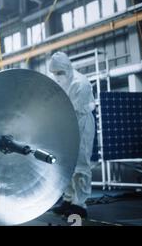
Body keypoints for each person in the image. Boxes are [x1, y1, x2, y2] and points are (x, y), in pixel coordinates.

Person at [48, 52, 96, 218]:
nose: (57, 76)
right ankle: (68, 199)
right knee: (65, 164)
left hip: (81, 123)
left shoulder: (80, 83)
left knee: (81, 164)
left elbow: (76, 111)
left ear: (68, 68)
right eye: (54, 73)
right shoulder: (59, 82)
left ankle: (80, 204)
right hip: (66, 124)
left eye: (60, 72)